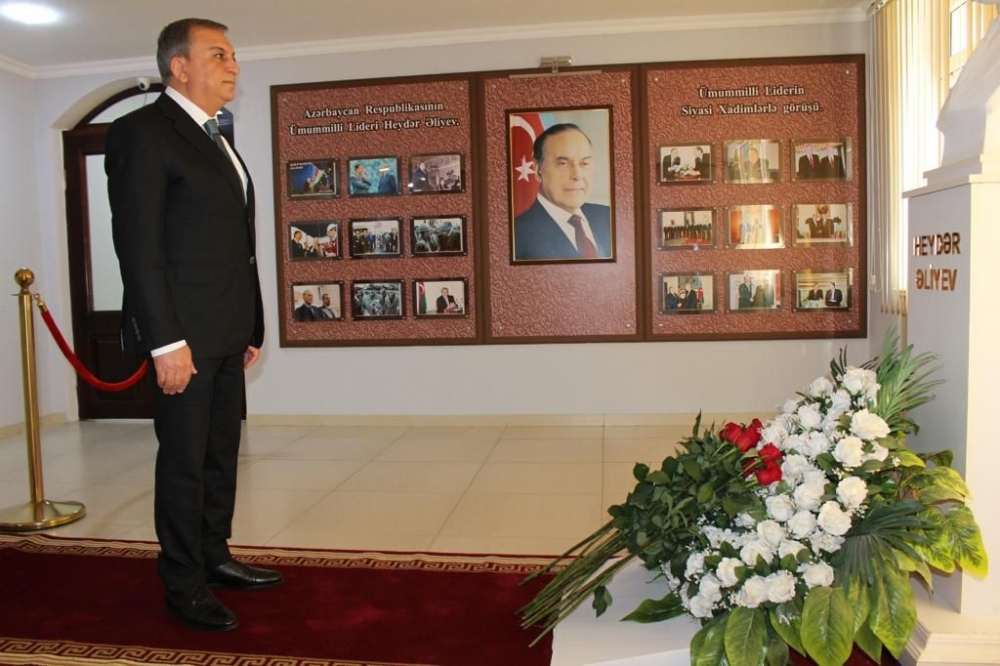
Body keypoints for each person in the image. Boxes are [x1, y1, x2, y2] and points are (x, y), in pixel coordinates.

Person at [105, 18, 281, 634]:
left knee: (219, 454)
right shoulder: (142, 133)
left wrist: (250, 325)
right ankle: (182, 583)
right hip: (182, 337)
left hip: (226, 331)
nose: (234, 66)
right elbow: (139, 248)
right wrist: (165, 341)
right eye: (219, 55)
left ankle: (214, 555)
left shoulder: (215, 135)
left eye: (233, 56)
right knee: (183, 462)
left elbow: (233, 248)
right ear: (179, 67)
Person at [513, 123, 613, 261]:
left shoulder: (609, 217)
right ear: (537, 170)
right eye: (563, 164)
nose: (577, 175)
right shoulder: (517, 235)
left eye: (584, 163)